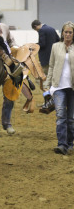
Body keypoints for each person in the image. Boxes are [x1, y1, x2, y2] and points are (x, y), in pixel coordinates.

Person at [45, 21, 74, 155]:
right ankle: (62, 144)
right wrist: (47, 85)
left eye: (70, 32)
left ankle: (70, 143)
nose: (67, 34)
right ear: (62, 33)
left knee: (71, 118)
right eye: (66, 32)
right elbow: (51, 66)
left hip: (72, 87)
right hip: (58, 86)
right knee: (61, 116)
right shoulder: (55, 47)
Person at [0, 24, 17, 136]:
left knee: (10, 95)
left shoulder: (4, 27)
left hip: (7, 65)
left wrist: (16, 48)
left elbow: (12, 42)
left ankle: (7, 123)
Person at [31, 20, 60, 87]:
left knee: (40, 78)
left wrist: (34, 45)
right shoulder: (52, 29)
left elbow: (42, 44)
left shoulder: (41, 30)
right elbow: (58, 40)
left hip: (46, 58)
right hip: (54, 56)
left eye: (35, 30)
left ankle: (48, 92)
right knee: (53, 76)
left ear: (35, 26)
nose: (36, 31)